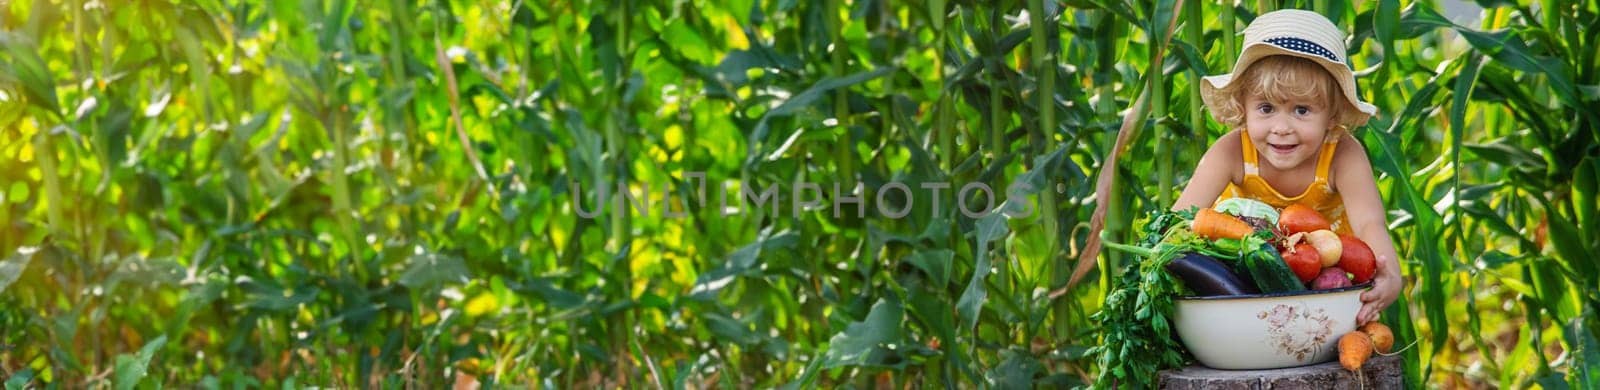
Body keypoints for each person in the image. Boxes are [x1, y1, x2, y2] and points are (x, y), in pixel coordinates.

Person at [1172, 9, 1400, 325]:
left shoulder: (1343, 155)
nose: (1281, 127)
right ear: (1243, 108)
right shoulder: (1231, 152)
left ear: (1331, 116)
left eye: (1302, 110)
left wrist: (1391, 275)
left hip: (1324, 285)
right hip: (1243, 284)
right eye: (1266, 108)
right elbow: (1180, 219)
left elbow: (1369, 223)